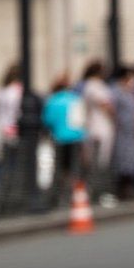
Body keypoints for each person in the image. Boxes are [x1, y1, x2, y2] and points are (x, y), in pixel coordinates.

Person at [41, 74, 86, 206]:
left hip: (59, 138)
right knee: (75, 168)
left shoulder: (52, 100)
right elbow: (81, 120)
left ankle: (60, 196)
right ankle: (76, 195)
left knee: (61, 169)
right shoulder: (75, 99)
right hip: (76, 137)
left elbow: (47, 120)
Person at [110, 66, 134, 200]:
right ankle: (122, 189)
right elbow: (112, 109)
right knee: (122, 160)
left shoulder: (131, 92)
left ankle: (130, 188)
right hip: (122, 131)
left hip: (133, 131)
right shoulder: (115, 91)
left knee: (133, 160)